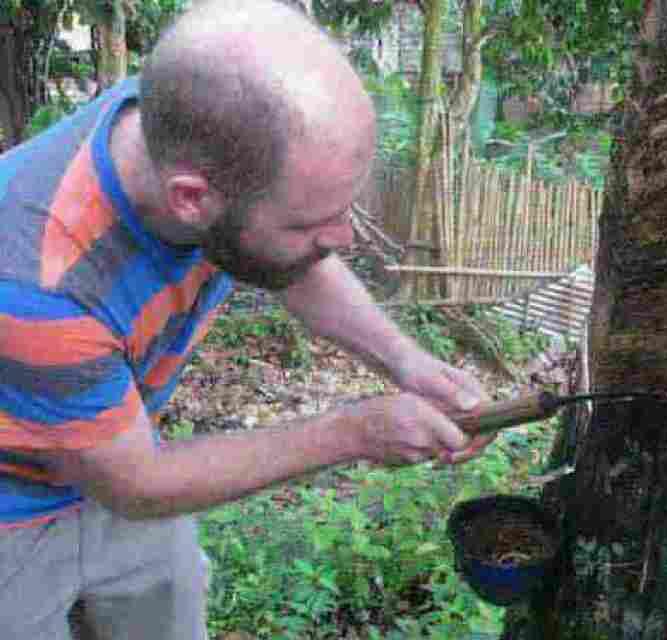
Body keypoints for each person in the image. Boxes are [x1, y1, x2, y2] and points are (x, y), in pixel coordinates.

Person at [0, 2, 492, 637]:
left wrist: (407, 362)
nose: (341, 239)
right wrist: (354, 433)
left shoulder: (189, 125)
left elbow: (293, 262)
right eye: (310, 222)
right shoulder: (38, 282)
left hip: (120, 448)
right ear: (192, 199)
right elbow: (138, 485)